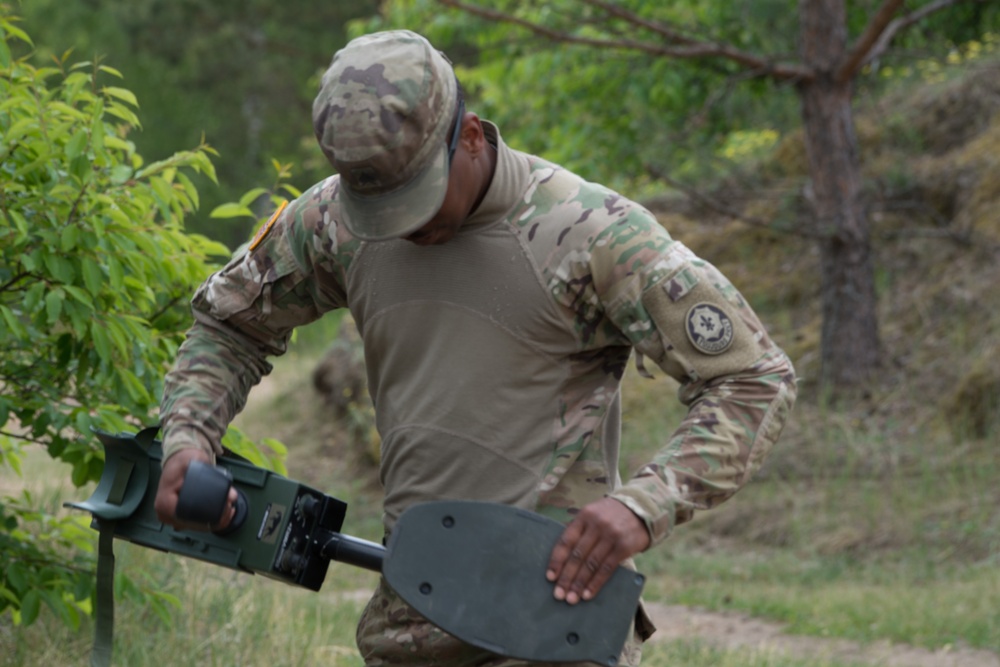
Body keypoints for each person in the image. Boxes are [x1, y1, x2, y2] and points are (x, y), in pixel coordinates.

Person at [153, 29, 797, 667]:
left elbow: (753, 378)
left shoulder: (590, 233)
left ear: (469, 136)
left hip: (552, 620)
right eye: (380, 209)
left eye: (417, 199)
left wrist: (646, 505)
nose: (403, 226)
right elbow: (230, 324)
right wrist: (188, 437)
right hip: (411, 621)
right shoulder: (334, 223)